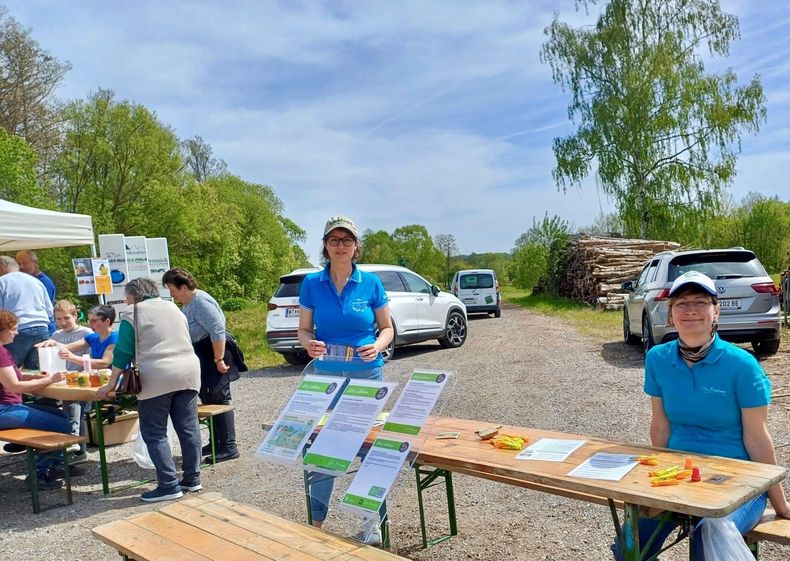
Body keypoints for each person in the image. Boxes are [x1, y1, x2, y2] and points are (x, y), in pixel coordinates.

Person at [612, 271, 790, 560]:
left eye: (700, 302)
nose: (691, 310)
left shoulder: (743, 365)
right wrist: (654, 481)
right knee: (629, 545)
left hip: (739, 479)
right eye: (681, 303)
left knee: (709, 538)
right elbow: (660, 426)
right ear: (671, 314)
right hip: (679, 475)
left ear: (716, 310)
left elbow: (757, 437)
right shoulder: (658, 359)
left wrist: (780, 503)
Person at [297, 215, 394, 539]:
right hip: (325, 377)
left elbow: (387, 328)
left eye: (347, 240)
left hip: (366, 374)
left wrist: (377, 345)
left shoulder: (371, 283)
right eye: (334, 240)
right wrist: (308, 343)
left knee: (368, 447)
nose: (340, 246)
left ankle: (373, 522)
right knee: (323, 447)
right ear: (325, 246)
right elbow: (304, 329)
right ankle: (316, 524)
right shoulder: (312, 283)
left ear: (356, 246)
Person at [97, 277, 201, 502]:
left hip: (157, 376)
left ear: (133, 296)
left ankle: (169, 484)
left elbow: (123, 352)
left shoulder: (132, 313)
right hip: (189, 371)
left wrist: (111, 383)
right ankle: (192, 479)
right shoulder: (174, 308)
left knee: (154, 432)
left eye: (126, 298)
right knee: (189, 427)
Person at [162, 267, 246, 464]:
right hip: (203, 352)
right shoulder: (189, 302)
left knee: (220, 398)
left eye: (173, 290)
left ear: (184, 287)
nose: (172, 295)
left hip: (214, 352)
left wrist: (218, 359)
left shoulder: (200, 301)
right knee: (208, 397)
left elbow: (217, 330)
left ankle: (229, 446)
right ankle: (216, 441)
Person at [0, 309, 71, 490]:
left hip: (7, 407)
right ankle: (39, 475)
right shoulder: (1, 354)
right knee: (61, 425)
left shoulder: (3, 352)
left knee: (61, 416)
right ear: (2, 330)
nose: (17, 332)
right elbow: (13, 386)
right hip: (5, 409)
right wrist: (49, 380)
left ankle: (52, 466)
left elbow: (11, 377)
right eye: (14, 329)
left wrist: (34, 377)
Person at [43, 300, 92, 463]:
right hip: (62, 380)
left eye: (66, 318)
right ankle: (79, 451)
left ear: (75, 316)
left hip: (80, 379)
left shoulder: (86, 332)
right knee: (71, 411)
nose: (62, 323)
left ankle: (73, 445)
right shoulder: (56, 335)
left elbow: (89, 359)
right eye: (58, 319)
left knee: (72, 409)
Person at [0, 255, 53, 369]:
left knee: (7, 371)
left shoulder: (2, 282)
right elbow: (49, 310)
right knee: (40, 372)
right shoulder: (36, 281)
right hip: (42, 329)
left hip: (16, 331)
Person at [38, 304, 117, 371]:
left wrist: (73, 357)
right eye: (89, 321)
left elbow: (104, 363)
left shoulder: (115, 337)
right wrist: (54, 343)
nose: (90, 324)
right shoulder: (93, 337)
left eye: (94, 321)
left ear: (107, 321)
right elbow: (67, 347)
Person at [15, 250, 57, 335]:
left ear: (34, 262)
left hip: (45, 328)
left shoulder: (44, 282)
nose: (21, 267)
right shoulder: (23, 280)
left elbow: (46, 308)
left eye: (25, 263)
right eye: (19, 264)